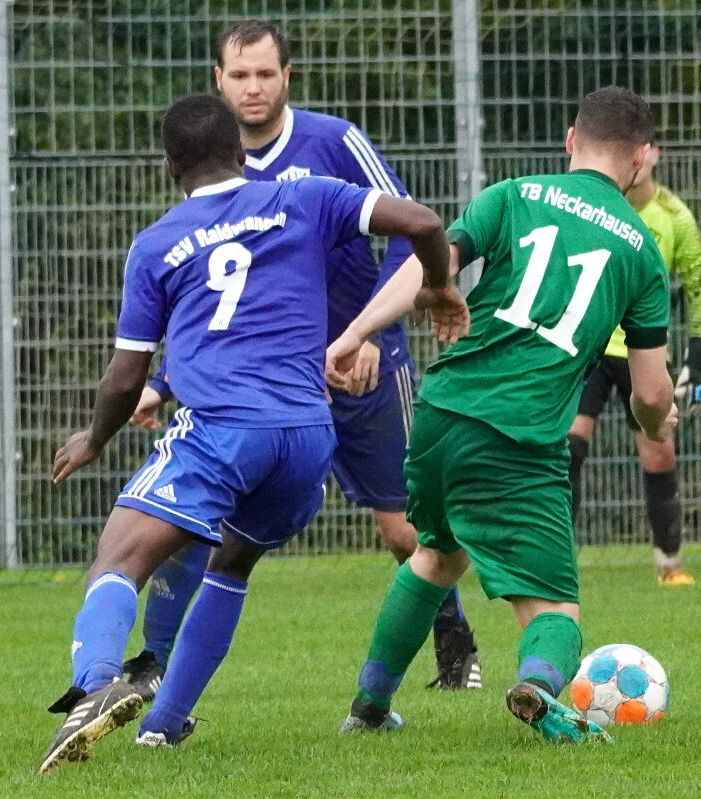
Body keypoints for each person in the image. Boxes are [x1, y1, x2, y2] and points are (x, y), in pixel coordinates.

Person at [39, 92, 463, 773]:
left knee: (118, 559)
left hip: (221, 430)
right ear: (242, 151)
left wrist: (94, 438)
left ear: (168, 165)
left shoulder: (156, 245)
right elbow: (420, 219)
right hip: (306, 436)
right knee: (230, 562)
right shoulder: (304, 198)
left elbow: (124, 377)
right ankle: (166, 723)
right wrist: (440, 287)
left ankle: (94, 686)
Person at [121, 19, 480, 700]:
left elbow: (411, 236)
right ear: (218, 83)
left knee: (404, 530)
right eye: (239, 76)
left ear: (288, 76)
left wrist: (367, 332)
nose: (253, 88)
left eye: (265, 74)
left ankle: (453, 634)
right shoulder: (212, 168)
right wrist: (162, 383)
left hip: (363, 360)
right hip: (261, 382)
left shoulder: (335, 142)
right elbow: (208, 294)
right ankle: (151, 662)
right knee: (198, 522)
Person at [326, 86, 677, 742]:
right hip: (520, 435)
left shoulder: (511, 195)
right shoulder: (640, 252)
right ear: (640, 161)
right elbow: (652, 394)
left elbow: (431, 269)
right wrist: (658, 427)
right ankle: (540, 686)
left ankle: (369, 707)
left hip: (440, 411)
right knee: (555, 606)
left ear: (571, 140)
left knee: (437, 554)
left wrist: (356, 331)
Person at [566, 145, 701, 586]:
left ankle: (669, 563)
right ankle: (556, 559)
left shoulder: (675, 217)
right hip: (588, 345)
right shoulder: (591, 208)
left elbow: (698, 286)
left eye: (642, 150)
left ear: (652, 156)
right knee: (565, 447)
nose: (634, 160)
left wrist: (698, 360)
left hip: (642, 352)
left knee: (659, 450)